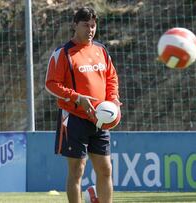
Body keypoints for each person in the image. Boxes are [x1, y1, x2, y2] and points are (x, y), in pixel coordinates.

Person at [45, 7, 121, 203]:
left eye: (93, 26)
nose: (90, 30)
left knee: (105, 169)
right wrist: (77, 97)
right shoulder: (63, 53)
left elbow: (111, 78)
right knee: (77, 170)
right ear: (74, 25)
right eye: (86, 25)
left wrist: (113, 100)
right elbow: (51, 84)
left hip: (100, 119)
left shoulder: (101, 50)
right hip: (73, 118)